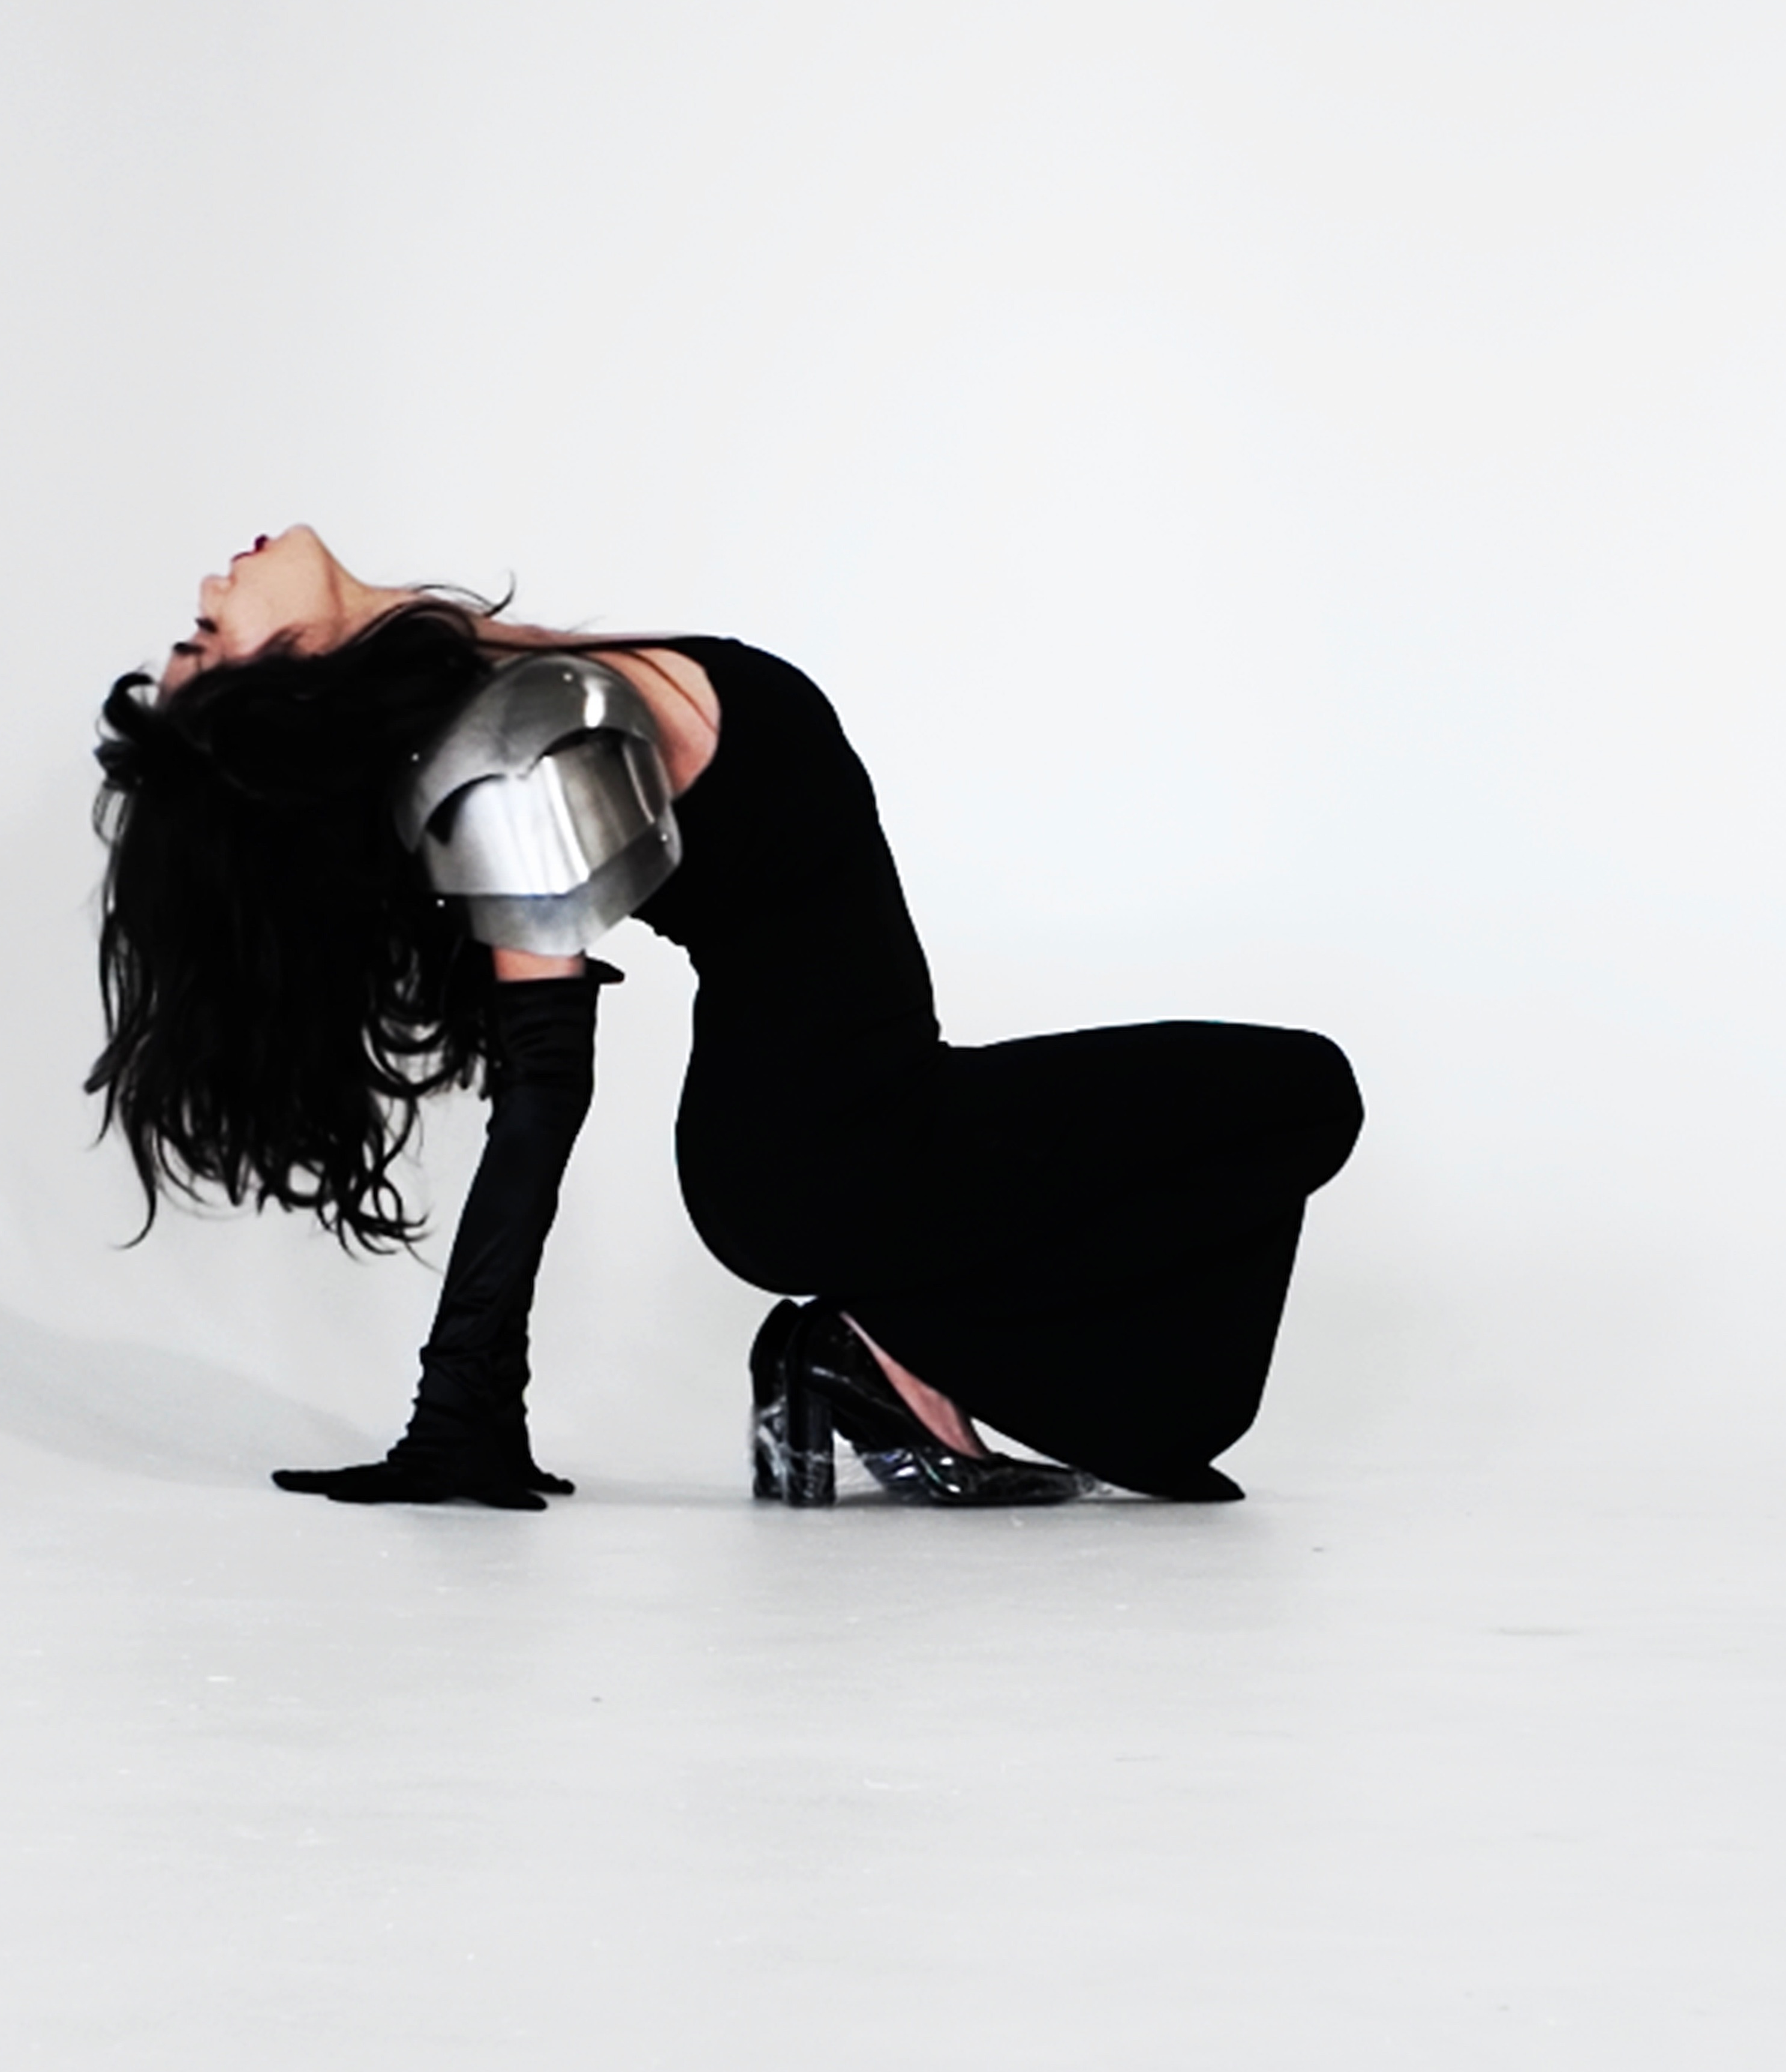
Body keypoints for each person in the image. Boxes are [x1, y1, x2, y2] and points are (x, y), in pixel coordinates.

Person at [89, 525, 1361, 1511]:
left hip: (864, 1125)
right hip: (825, 1156)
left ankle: (876, 1354)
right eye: (206, 628)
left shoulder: (491, 676)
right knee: (1301, 1096)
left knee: (1203, 1288)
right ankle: (876, 1342)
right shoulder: (513, 754)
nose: (212, 580)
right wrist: (460, 1414)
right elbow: (542, 1095)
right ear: (291, 674)